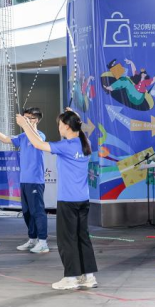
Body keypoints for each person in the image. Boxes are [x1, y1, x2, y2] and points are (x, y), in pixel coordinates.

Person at [16, 110, 98, 290]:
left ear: (67, 126)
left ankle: (71, 278)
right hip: (83, 200)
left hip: (68, 201)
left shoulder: (66, 146)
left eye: (60, 124)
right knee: (82, 238)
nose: (58, 128)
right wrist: (74, 114)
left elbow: (37, 143)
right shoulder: (85, 142)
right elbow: (78, 127)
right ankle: (89, 277)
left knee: (67, 240)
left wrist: (24, 125)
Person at [0, 108, 49, 253]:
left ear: (36, 120)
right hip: (24, 180)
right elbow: (6, 139)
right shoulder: (22, 136)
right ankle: (33, 239)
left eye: (28, 118)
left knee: (37, 211)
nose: (25, 120)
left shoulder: (40, 135)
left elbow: (38, 141)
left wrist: (27, 125)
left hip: (35, 181)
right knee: (27, 212)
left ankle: (43, 242)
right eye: (24, 118)